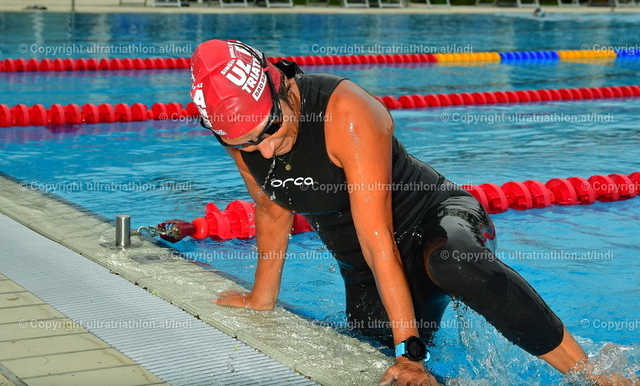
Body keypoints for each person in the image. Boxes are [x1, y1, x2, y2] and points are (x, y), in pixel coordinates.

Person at [189, 39, 618, 385]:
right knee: (376, 352)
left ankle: (598, 375)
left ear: (279, 84)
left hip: (433, 221)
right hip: (365, 263)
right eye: (246, 143)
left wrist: (409, 354)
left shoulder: (346, 112)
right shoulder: (239, 131)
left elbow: (377, 237)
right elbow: (271, 208)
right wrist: (260, 299)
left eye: (270, 129)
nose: (264, 150)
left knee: (454, 265)